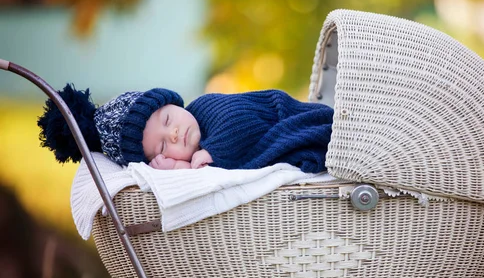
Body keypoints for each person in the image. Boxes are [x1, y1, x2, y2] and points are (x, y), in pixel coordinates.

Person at [38, 84, 333, 173]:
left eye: (167, 120)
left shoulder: (204, 108)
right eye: (163, 147)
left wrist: (212, 154)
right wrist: (181, 169)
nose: (175, 134)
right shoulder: (193, 151)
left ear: (173, 104)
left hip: (316, 123)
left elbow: (243, 125)